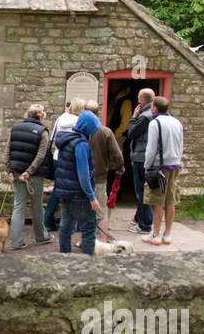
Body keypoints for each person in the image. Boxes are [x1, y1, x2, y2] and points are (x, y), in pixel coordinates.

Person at [51, 110, 102, 255]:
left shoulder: (67, 141)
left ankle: (65, 256)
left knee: (66, 227)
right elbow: (83, 174)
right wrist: (91, 197)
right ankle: (86, 262)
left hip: (65, 191)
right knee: (89, 228)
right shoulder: (81, 145)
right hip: (79, 194)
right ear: (89, 129)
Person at [4, 103, 52, 249]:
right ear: (41, 116)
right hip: (34, 175)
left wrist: (9, 171)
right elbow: (41, 155)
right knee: (37, 206)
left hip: (17, 172)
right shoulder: (43, 132)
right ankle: (41, 236)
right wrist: (29, 171)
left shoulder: (15, 128)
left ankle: (16, 242)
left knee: (19, 206)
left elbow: (7, 151)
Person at [142, 96, 184, 246]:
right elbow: (181, 145)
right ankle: (168, 234)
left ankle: (156, 234)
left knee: (158, 201)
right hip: (175, 165)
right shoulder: (177, 123)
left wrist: (147, 166)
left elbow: (151, 148)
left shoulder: (155, 123)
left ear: (154, 108)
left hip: (160, 167)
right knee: (170, 200)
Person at [42, 98, 85, 232]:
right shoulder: (80, 122)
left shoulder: (61, 118)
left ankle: (48, 220)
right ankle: (74, 223)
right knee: (74, 190)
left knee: (57, 189)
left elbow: (53, 139)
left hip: (58, 157)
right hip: (72, 159)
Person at [84, 101, 124, 243]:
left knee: (85, 210)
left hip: (83, 177)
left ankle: (84, 240)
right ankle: (102, 239)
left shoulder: (80, 131)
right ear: (98, 113)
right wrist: (117, 167)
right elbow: (117, 154)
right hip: (100, 176)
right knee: (101, 211)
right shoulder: (105, 132)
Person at [125, 88, 155, 234]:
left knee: (141, 191)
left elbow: (131, 133)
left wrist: (133, 117)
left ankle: (145, 225)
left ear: (143, 100)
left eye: (138, 98)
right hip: (149, 157)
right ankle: (138, 218)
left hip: (140, 157)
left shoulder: (144, 116)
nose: (137, 101)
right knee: (143, 190)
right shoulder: (155, 113)